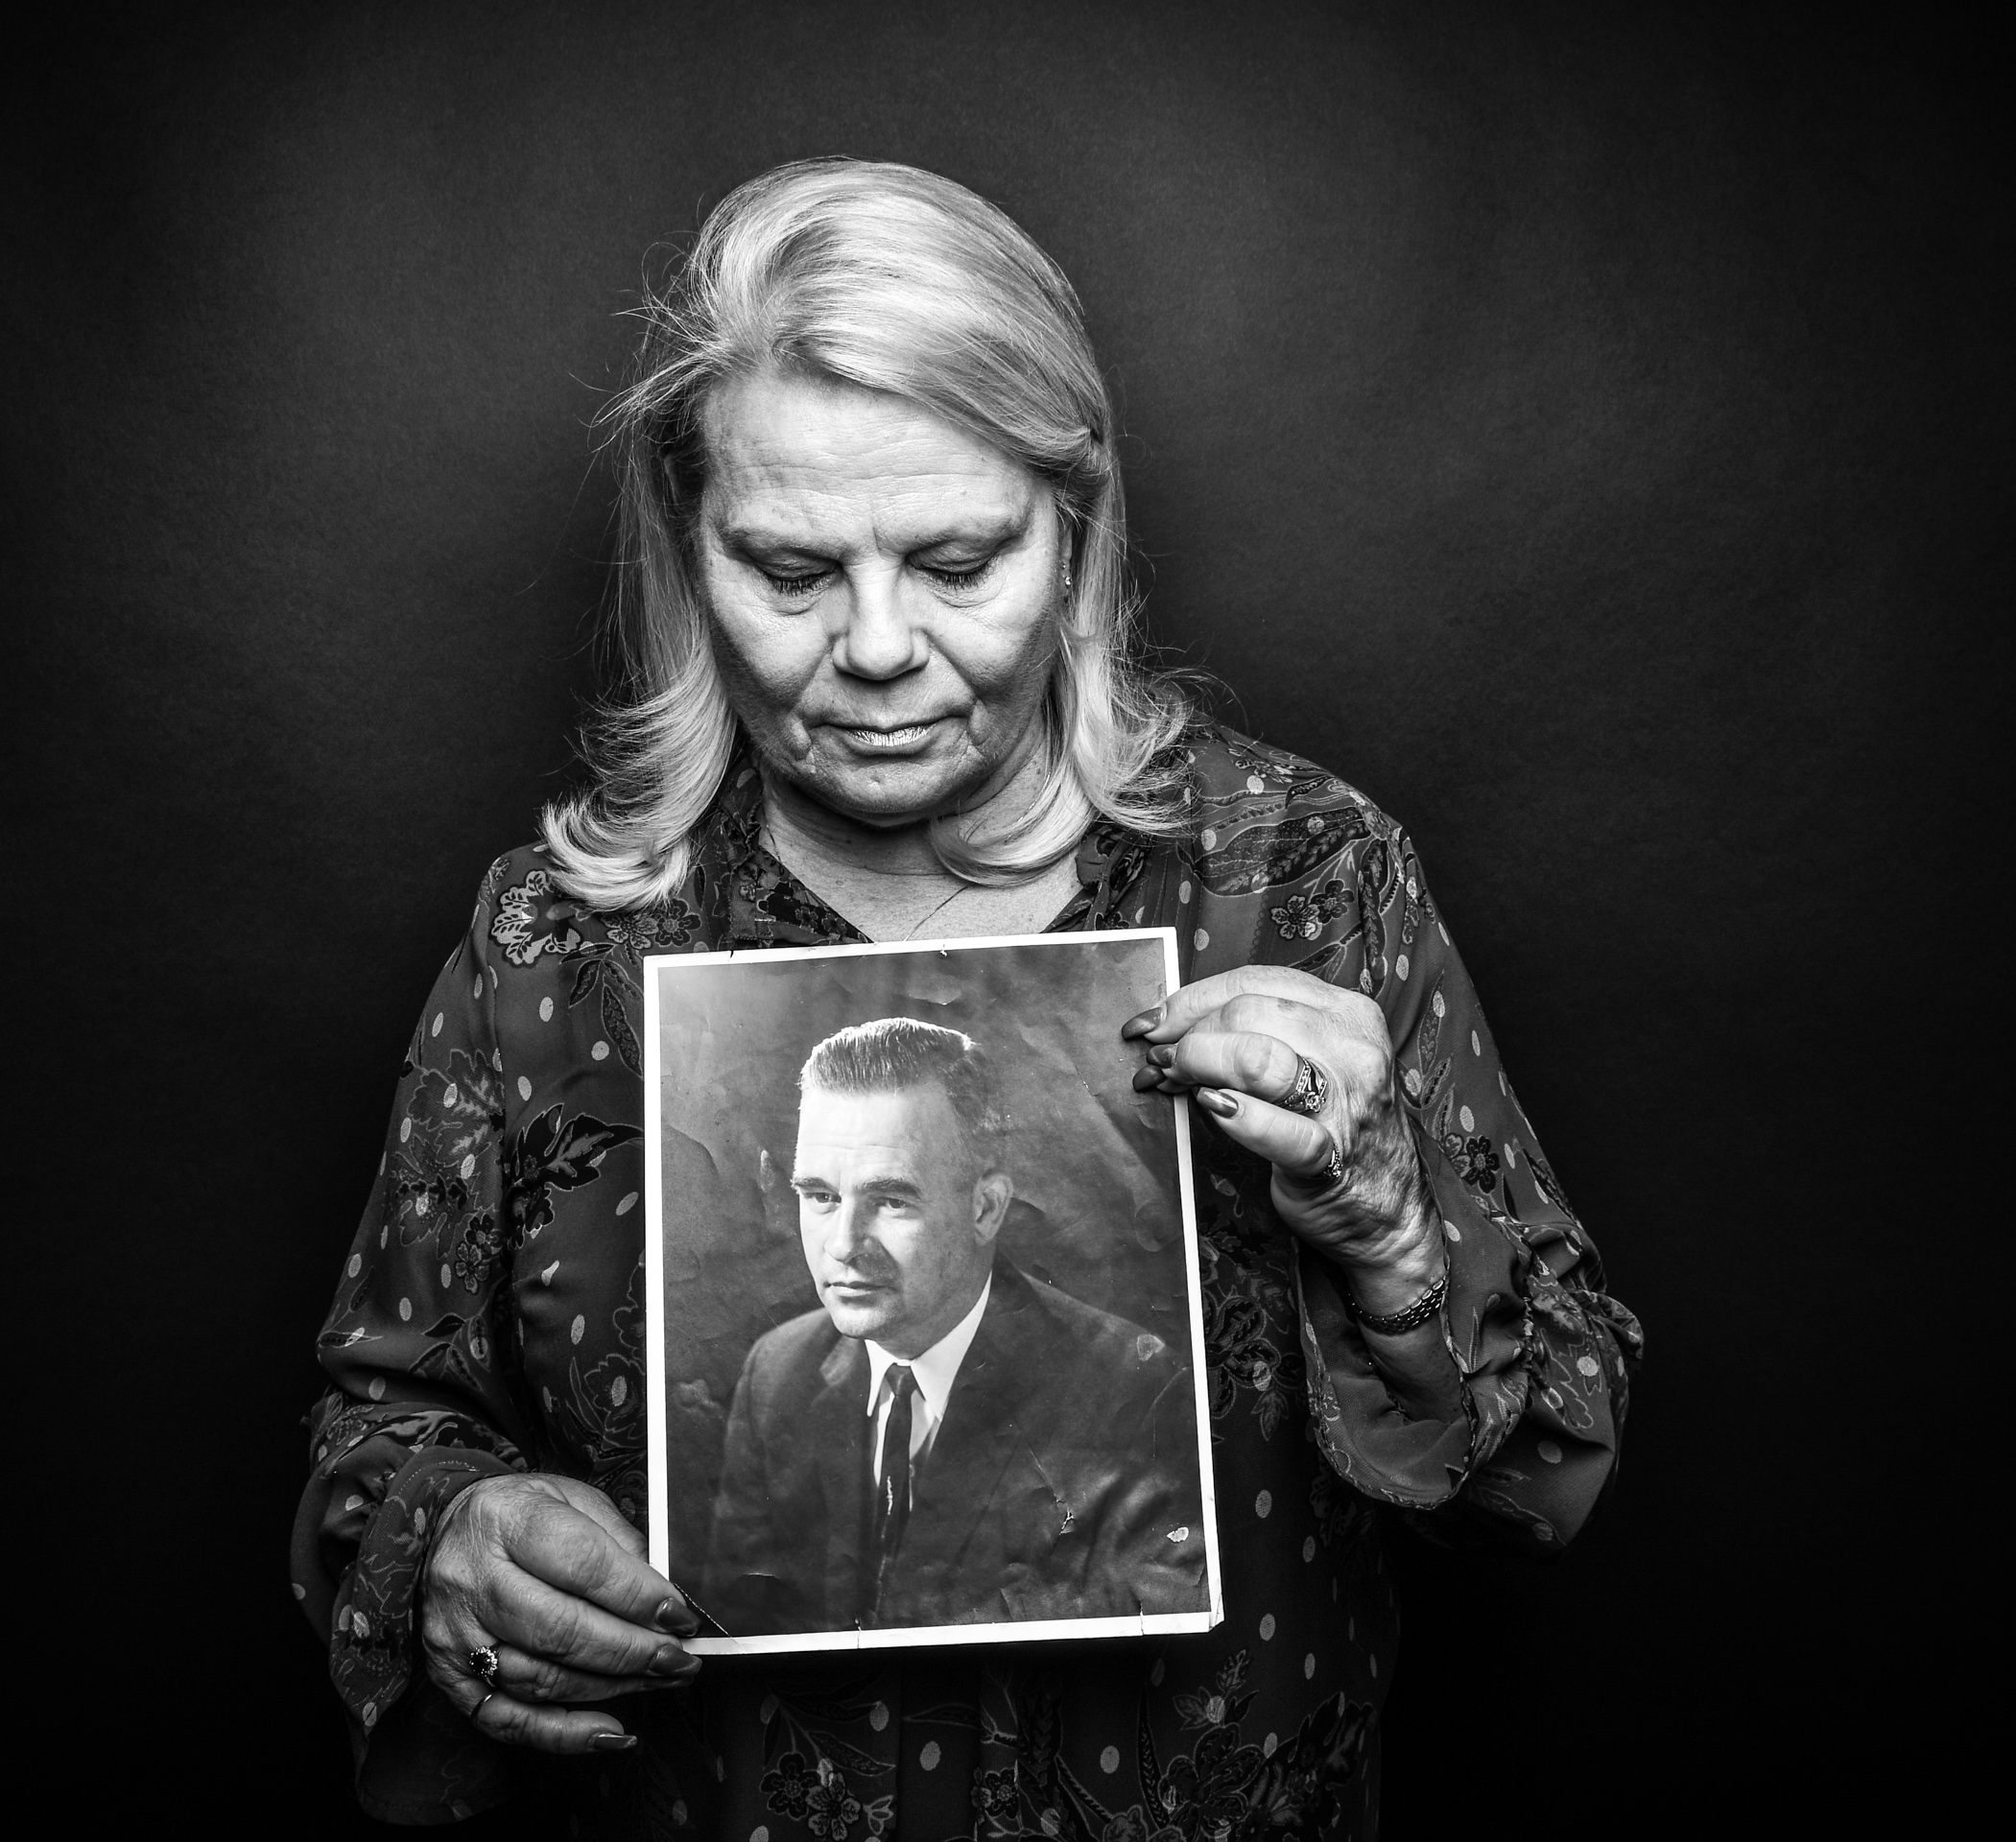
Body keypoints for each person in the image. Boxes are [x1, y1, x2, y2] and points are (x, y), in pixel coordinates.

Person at [292, 157, 1644, 1836]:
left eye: (956, 558)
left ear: (1074, 531)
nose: (873, 647)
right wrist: (452, 1539)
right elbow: (385, 1420)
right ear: (687, 549)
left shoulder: (1303, 879)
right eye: (788, 569)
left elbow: (1550, 1489)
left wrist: (1381, 1226)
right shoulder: (553, 949)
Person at [700, 1017, 1208, 1635]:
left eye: (890, 1200)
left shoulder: (1132, 1390)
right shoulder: (776, 1372)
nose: (844, 1245)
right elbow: (735, 1629)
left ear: (985, 1208)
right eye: (821, 1196)